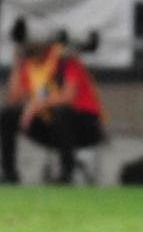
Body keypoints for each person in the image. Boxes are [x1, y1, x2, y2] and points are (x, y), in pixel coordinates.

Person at [1, 24, 105, 184]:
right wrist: (16, 63)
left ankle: (66, 174)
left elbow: (68, 97)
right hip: (52, 126)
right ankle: (9, 173)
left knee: (61, 113)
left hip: (85, 124)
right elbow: (13, 98)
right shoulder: (28, 65)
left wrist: (36, 105)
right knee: (8, 115)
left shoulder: (64, 59)